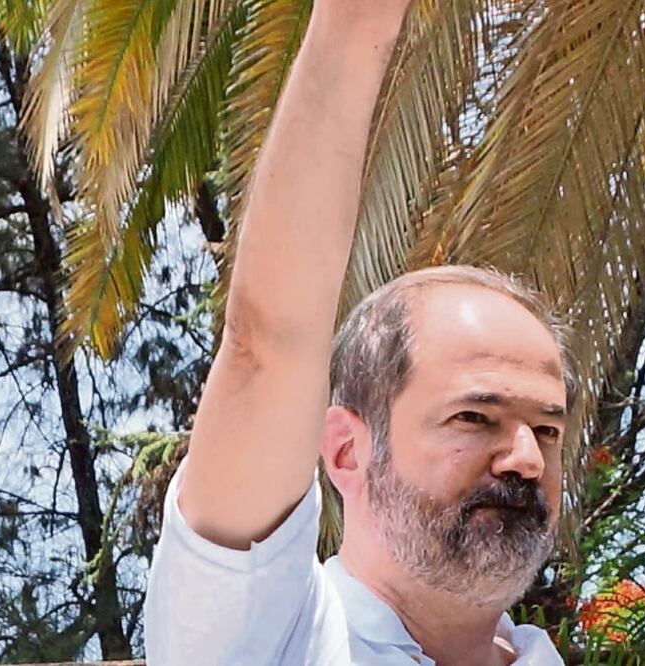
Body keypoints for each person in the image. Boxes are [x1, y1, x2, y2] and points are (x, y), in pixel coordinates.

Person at [144, 1, 574, 663]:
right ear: (346, 451)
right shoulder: (270, 639)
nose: (526, 459)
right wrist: (358, 21)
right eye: (474, 416)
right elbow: (268, 344)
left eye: (547, 429)